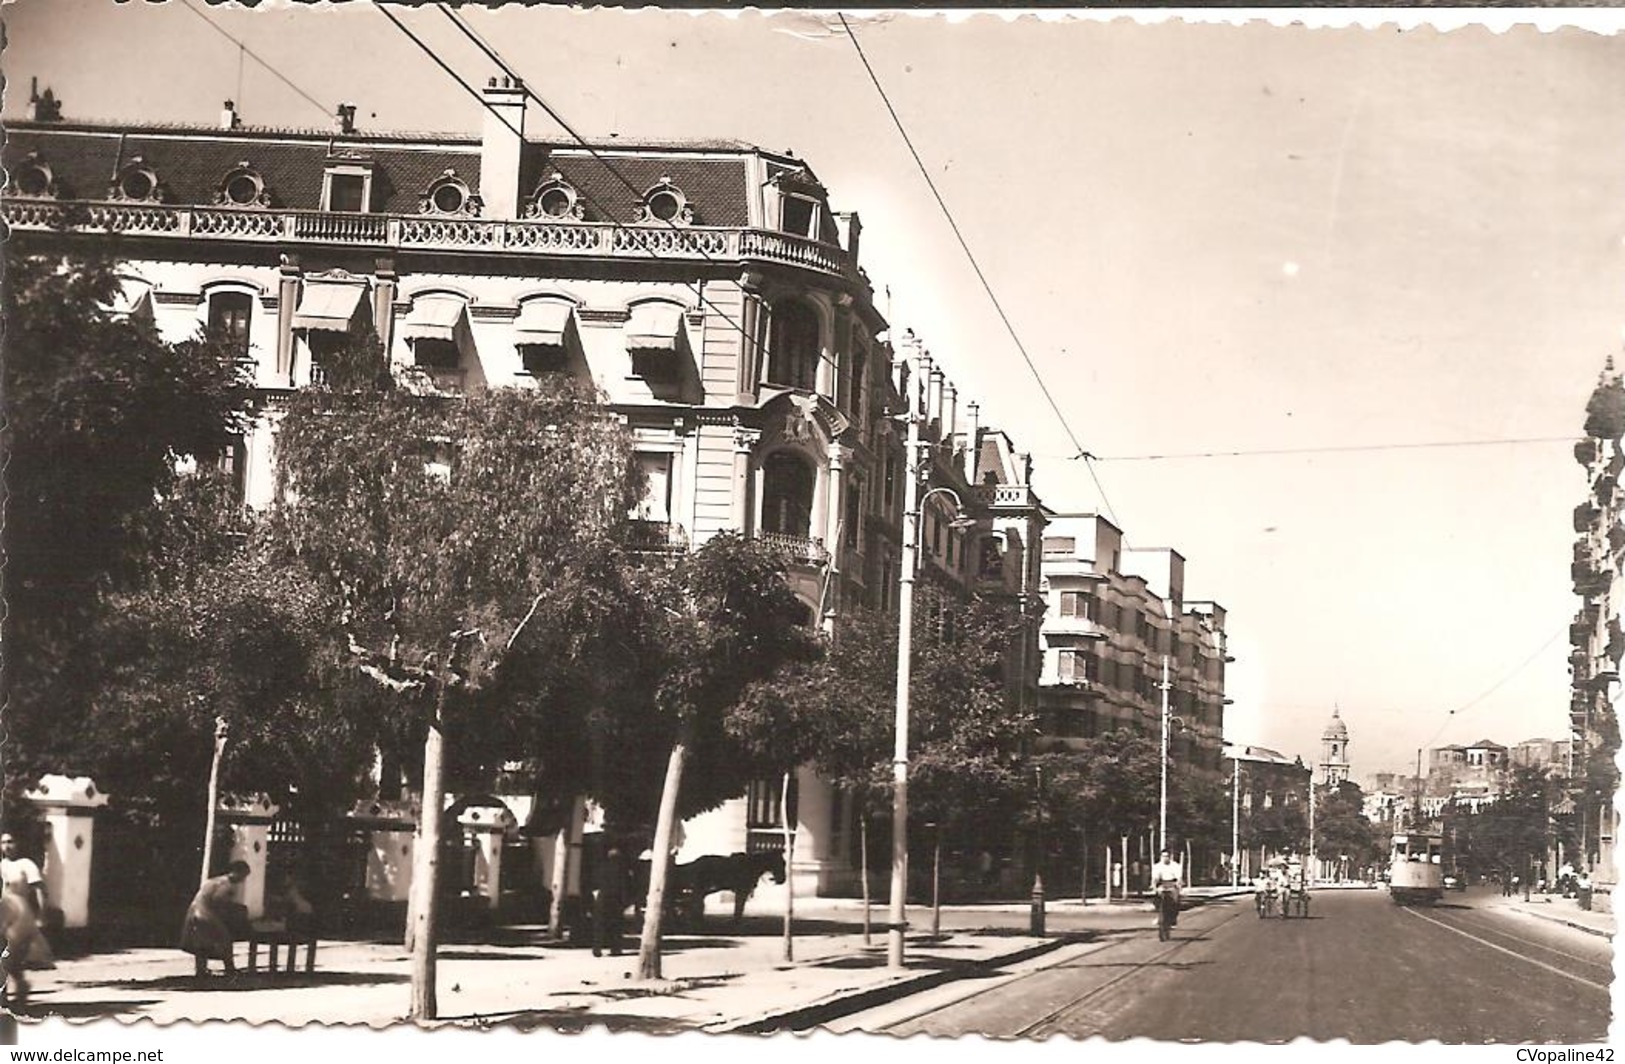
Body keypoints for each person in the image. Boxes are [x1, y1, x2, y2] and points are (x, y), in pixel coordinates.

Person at [0, 833, 54, 1003]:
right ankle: (6, 993)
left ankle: (18, 987)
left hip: (20, 916)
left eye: (11, 841)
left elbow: (39, 890)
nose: (7, 846)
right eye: (3, 842)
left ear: (18, 844)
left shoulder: (25, 864)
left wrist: (42, 915)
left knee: (9, 955)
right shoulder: (1, 865)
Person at [181, 860, 251, 978]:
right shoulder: (227, 885)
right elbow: (219, 902)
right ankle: (230, 969)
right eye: (243, 876)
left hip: (194, 912)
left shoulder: (215, 881)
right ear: (236, 872)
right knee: (225, 939)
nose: (243, 880)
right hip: (206, 913)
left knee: (201, 943)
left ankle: (201, 970)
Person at [591, 845, 628, 958]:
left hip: (603, 898)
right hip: (616, 899)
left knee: (600, 924)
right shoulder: (622, 870)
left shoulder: (602, 868)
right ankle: (615, 948)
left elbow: (595, 882)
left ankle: (597, 948)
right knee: (616, 925)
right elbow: (625, 886)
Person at [1150, 848, 1182, 929]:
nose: (1165, 858)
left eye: (1167, 856)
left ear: (1170, 856)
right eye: (1163, 856)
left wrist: (1178, 884)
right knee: (1157, 899)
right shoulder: (1157, 866)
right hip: (1162, 883)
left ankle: (1173, 918)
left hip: (1172, 883)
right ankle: (1159, 916)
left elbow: (1179, 877)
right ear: (1161, 857)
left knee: (1175, 901)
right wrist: (1154, 886)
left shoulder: (1175, 865)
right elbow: (1155, 878)